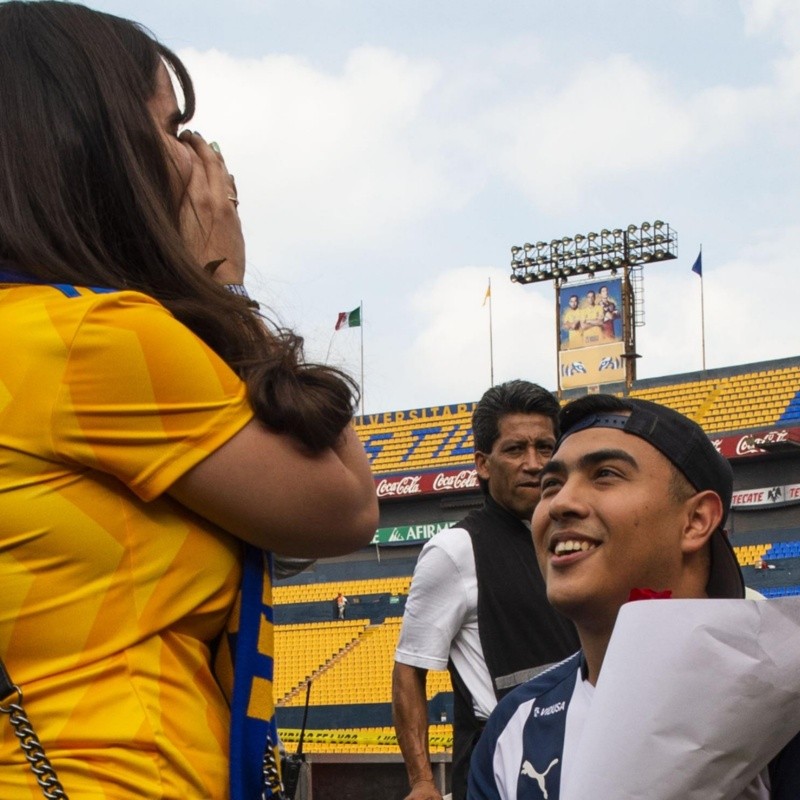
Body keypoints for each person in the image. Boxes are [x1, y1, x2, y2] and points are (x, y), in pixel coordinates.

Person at [0, 3, 378, 799]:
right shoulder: (94, 336)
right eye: (174, 129)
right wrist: (221, 288)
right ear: (101, 149)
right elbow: (342, 506)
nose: (203, 160)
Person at [468, 394, 800, 799]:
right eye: (551, 485)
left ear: (696, 521)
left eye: (605, 474)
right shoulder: (512, 727)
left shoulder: (783, 705)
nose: (560, 503)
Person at [393, 381, 579, 800]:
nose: (533, 463)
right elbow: (409, 669)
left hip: (578, 755)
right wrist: (422, 781)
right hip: (504, 771)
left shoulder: (574, 537)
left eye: (545, 448)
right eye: (515, 450)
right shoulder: (455, 550)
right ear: (482, 463)